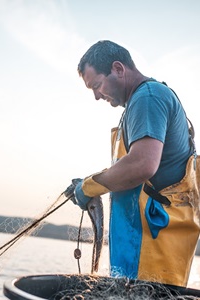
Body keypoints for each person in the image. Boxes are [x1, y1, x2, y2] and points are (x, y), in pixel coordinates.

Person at [69, 40, 200, 287]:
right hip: (137, 249)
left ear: (118, 68)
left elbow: (142, 164)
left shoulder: (148, 98)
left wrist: (88, 187)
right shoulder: (141, 102)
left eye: (97, 85)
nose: (97, 96)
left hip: (152, 253)